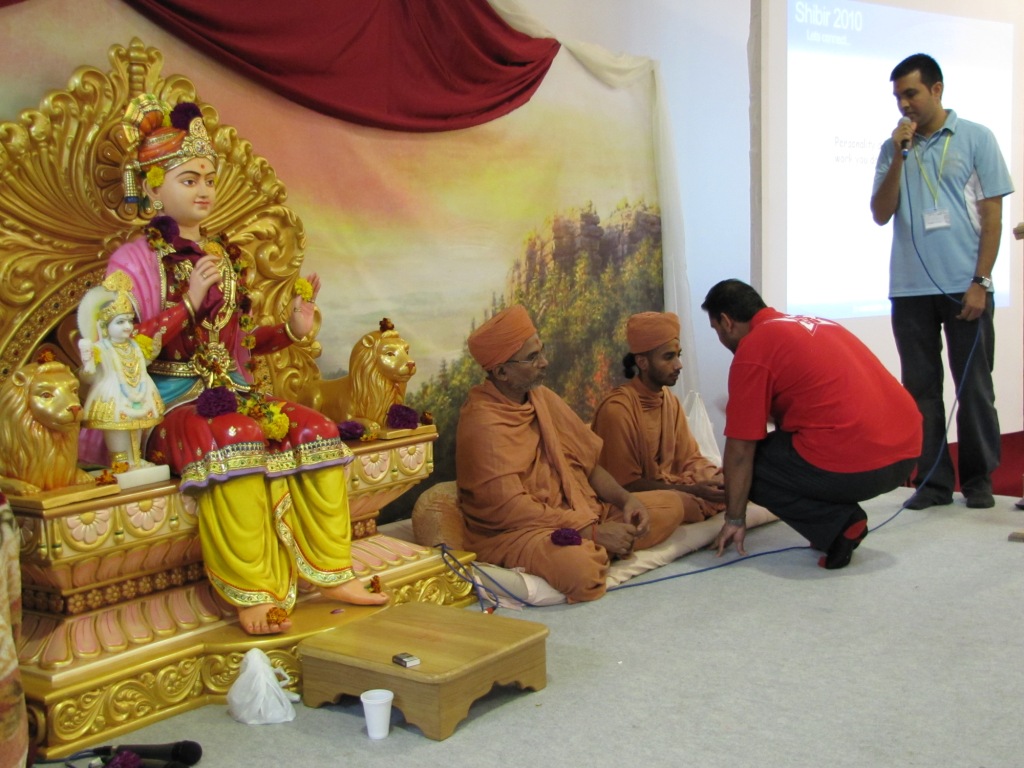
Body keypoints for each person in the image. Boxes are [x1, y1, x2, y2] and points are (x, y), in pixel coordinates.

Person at [102, 93, 386, 635]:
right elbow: (120, 350)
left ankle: (332, 571)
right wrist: (185, 305)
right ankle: (253, 590)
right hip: (166, 403)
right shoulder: (132, 261)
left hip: (232, 390)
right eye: (188, 179)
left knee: (316, 428)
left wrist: (292, 331)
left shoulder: (223, 256)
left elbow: (241, 345)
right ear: (153, 187)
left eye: (208, 178)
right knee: (233, 433)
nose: (204, 189)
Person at [455, 305, 686, 602]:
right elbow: (512, 510)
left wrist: (627, 500)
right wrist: (592, 532)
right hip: (522, 530)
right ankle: (597, 548)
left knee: (671, 506)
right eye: (533, 357)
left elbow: (590, 466)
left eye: (542, 351)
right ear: (501, 371)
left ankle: (603, 544)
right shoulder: (482, 422)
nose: (545, 362)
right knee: (581, 571)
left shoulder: (542, 397)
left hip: (583, 510)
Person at [870, 53, 1014, 510]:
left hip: (963, 285)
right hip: (909, 288)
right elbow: (879, 213)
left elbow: (992, 218)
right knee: (920, 389)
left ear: (936, 90)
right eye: (897, 96)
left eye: (910, 93)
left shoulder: (976, 138)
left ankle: (978, 481)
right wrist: (898, 155)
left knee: (973, 386)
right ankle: (932, 482)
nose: (903, 104)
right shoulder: (893, 147)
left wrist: (981, 281)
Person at [702, 279, 921, 569]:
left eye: (716, 330)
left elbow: (741, 451)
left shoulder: (753, 348)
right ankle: (836, 521)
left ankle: (840, 524)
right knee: (767, 456)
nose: (720, 338)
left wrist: (734, 517)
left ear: (727, 321)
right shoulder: (818, 323)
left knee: (746, 467)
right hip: (907, 453)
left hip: (859, 464)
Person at [591, 311, 724, 522]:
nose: (679, 365)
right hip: (631, 499)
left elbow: (690, 458)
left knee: (734, 485)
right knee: (677, 506)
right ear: (643, 362)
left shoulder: (670, 402)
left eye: (678, 355)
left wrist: (714, 477)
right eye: (669, 357)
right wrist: (694, 491)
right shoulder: (617, 410)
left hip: (672, 487)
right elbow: (625, 484)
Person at [77, 270, 165, 471]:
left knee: (137, 429)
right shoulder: (100, 348)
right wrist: (88, 365)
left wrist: (152, 353)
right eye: (120, 322)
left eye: (129, 321)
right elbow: (88, 377)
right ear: (105, 327)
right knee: (117, 431)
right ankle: (120, 462)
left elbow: (139, 365)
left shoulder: (135, 345)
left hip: (139, 392)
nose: (127, 327)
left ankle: (136, 460)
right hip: (112, 396)